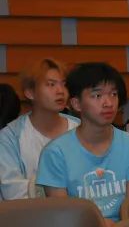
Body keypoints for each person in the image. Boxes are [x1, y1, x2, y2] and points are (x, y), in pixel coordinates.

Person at [37, 62, 129, 223]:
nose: (108, 103)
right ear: (76, 104)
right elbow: (63, 215)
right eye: (97, 96)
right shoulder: (55, 153)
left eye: (113, 94)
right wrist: (102, 226)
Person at [0, 59, 80, 199]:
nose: (60, 91)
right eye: (51, 84)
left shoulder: (81, 128)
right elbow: (12, 191)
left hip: (81, 210)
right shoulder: (10, 136)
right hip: (30, 212)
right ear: (30, 93)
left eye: (64, 84)